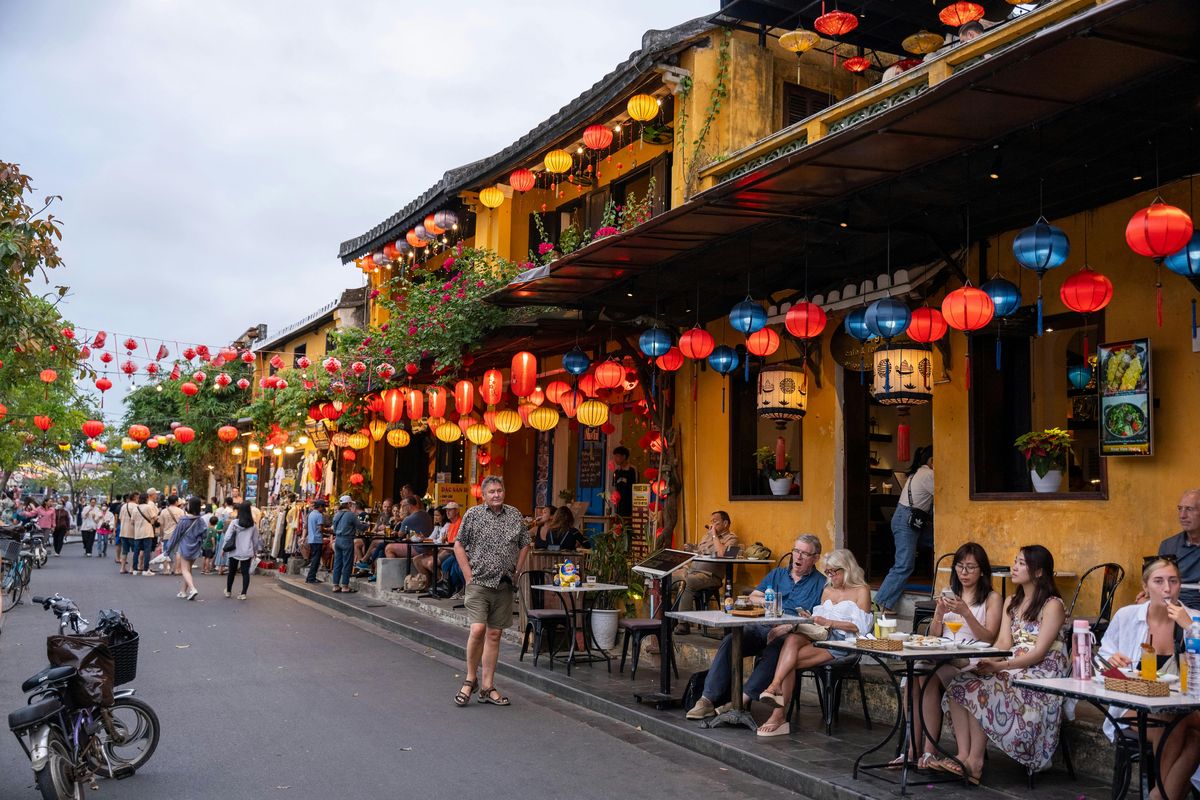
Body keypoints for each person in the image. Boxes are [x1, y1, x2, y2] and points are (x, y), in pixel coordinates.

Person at [940, 545, 1069, 783]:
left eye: (1021, 563)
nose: (1014, 567)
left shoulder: (1053, 605)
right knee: (962, 682)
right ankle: (963, 755)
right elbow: (1002, 643)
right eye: (1015, 561)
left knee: (983, 689)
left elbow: (1040, 653)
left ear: (1039, 572)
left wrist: (1000, 667)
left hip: (1040, 675)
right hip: (1012, 667)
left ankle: (975, 764)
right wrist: (989, 661)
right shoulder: (1012, 601)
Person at [686, 534, 827, 721]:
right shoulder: (777, 574)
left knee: (775, 652)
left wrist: (788, 625)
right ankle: (707, 699)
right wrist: (774, 603)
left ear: (815, 558)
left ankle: (739, 702)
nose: (798, 557)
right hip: (762, 626)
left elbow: (817, 618)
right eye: (796, 551)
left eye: (805, 554)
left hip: (790, 633)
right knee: (730, 642)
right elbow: (753, 597)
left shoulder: (821, 584)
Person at [1100, 558, 1200, 800]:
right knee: (1173, 720)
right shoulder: (1127, 616)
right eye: (1159, 581)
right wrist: (1113, 659)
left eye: (1173, 581)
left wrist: (1191, 628)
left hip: (1186, 704)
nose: (1167, 588)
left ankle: (1159, 795)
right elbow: (1103, 653)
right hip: (1135, 704)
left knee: (1187, 728)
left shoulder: (1193, 619)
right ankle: (1164, 796)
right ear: (1145, 587)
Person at [755, 549, 873, 737]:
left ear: (848, 569)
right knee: (792, 639)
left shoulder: (861, 590)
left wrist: (830, 623)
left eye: (834, 572)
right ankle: (775, 692)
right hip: (821, 636)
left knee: (788, 661)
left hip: (843, 644)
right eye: (828, 572)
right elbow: (822, 620)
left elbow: (862, 627)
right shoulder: (827, 590)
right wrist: (811, 618)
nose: (831, 576)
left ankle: (778, 712)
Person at [904, 543, 1002, 768]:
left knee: (929, 675)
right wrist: (938, 613)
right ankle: (915, 750)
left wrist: (966, 613)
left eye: (970, 568)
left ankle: (930, 751)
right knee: (915, 675)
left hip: (972, 653)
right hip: (944, 650)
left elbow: (988, 637)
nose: (964, 573)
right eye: (960, 567)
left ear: (982, 571)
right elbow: (935, 634)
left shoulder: (991, 598)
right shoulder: (951, 592)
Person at [452, 475, 531, 707]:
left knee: (495, 634)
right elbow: (458, 544)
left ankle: (487, 686)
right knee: (478, 629)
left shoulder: (514, 515)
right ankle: (469, 679)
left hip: (504, 583)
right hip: (479, 582)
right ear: (484, 495)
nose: (496, 495)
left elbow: (525, 542)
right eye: (491, 492)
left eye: (499, 490)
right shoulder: (473, 515)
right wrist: (467, 575)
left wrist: (517, 570)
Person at [876, 445, 934, 613]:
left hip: (910, 519)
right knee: (904, 564)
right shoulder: (928, 474)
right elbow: (942, 496)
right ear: (932, 460)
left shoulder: (916, 473)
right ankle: (882, 601)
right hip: (908, 520)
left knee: (936, 543)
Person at [675, 511, 740, 636]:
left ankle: (683, 624)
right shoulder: (707, 536)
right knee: (666, 578)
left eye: (716, 521)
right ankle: (666, 621)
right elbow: (700, 551)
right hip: (691, 571)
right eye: (711, 521)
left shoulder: (731, 538)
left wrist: (715, 535)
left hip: (709, 576)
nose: (712, 524)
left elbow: (721, 554)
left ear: (725, 523)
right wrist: (692, 548)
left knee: (686, 583)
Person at [1158, 490, 1200, 609]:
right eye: (1180, 509)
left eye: (1189, 509)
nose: (1182, 515)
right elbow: (1159, 580)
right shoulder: (1168, 545)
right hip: (1173, 603)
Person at [166, 497, 207, 601]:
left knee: (184, 570)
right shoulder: (200, 520)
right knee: (188, 570)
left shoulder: (184, 520)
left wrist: (168, 550)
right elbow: (204, 535)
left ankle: (193, 589)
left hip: (185, 546)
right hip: (196, 547)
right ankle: (183, 591)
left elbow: (175, 536)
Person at [224, 500, 263, 600]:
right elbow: (255, 540)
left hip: (234, 551)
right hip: (247, 551)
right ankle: (243, 593)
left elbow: (227, 537)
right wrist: (255, 551)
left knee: (231, 572)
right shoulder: (253, 526)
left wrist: (224, 548)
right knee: (245, 573)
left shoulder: (234, 523)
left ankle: (228, 591)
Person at [330, 496, 364, 593]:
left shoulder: (337, 514)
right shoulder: (351, 515)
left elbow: (334, 528)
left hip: (338, 540)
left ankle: (335, 585)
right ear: (349, 504)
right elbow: (360, 527)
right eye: (351, 504)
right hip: (347, 540)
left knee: (337, 563)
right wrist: (367, 525)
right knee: (347, 563)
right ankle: (345, 586)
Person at [130, 489, 160, 575]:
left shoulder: (136, 508)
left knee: (136, 551)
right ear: (147, 499)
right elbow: (155, 517)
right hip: (147, 532)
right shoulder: (148, 507)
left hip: (138, 533)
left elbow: (132, 522)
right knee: (147, 551)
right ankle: (145, 570)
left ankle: (135, 569)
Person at [305, 498, 329, 584]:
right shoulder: (319, 515)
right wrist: (329, 530)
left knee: (314, 558)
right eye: (323, 507)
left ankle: (310, 577)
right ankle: (311, 578)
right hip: (317, 539)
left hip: (311, 539)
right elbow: (321, 529)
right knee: (316, 559)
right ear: (320, 507)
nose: (324, 509)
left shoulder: (311, 514)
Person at [157, 495, 183, 575]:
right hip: (177, 535)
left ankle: (166, 570)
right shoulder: (180, 511)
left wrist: (161, 535)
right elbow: (183, 524)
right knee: (177, 552)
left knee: (166, 552)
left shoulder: (164, 511)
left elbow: (161, 525)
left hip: (166, 535)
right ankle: (177, 570)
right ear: (176, 502)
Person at [611, 446, 636, 518]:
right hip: (618, 508)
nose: (615, 459)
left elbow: (636, 488)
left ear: (624, 456)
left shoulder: (632, 470)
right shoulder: (616, 472)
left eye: (617, 456)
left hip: (629, 507)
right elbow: (614, 488)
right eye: (614, 457)